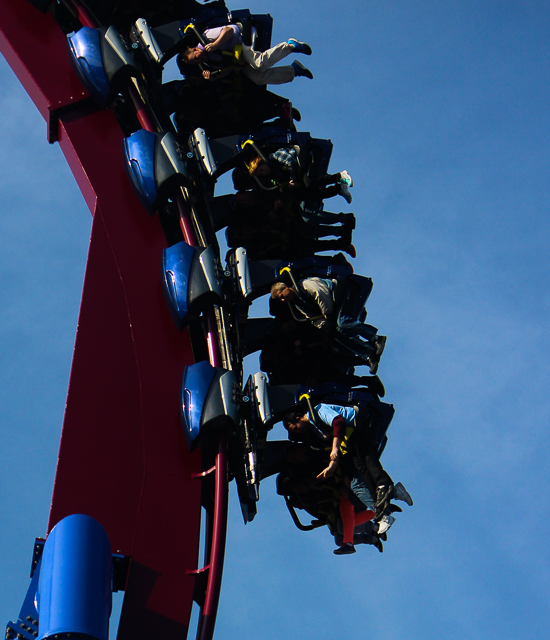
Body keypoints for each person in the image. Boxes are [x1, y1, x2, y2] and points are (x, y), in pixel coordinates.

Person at [282, 403, 413, 520]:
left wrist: (335, 448)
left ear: (298, 418)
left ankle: (384, 485)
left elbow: (338, 422)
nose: (298, 431)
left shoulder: (317, 411)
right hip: (353, 434)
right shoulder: (314, 429)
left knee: (364, 454)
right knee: (360, 465)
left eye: (295, 427)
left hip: (363, 421)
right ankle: (386, 498)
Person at [270, 277, 385, 372]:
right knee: (336, 334)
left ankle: (375, 338)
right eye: (281, 300)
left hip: (345, 292)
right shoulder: (298, 303)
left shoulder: (305, 284)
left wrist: (327, 315)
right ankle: (368, 354)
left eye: (282, 296)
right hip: (334, 309)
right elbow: (311, 317)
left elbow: (322, 296)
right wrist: (325, 325)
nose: (284, 300)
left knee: (343, 322)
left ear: (285, 287)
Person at [180, 25, 313, 85]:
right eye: (194, 63)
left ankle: (290, 46)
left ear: (194, 50)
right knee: (258, 78)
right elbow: (227, 68)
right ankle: (294, 70)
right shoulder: (208, 61)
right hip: (238, 58)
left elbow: (229, 30)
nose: (197, 61)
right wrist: (214, 78)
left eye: (195, 58)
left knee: (259, 63)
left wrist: (215, 44)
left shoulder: (206, 38)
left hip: (242, 38)